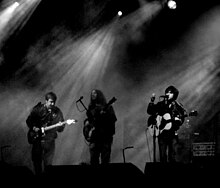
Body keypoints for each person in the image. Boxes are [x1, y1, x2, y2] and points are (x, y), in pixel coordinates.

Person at [26, 91, 65, 176]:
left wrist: (60, 126)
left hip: (50, 141)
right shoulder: (37, 109)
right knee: (37, 163)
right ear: (46, 101)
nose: (52, 104)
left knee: (48, 165)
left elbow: (61, 129)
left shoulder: (57, 111)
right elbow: (29, 120)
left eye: (54, 102)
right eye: (51, 101)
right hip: (37, 141)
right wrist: (34, 128)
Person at [147, 85, 187, 163]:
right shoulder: (161, 104)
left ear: (174, 94)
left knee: (172, 156)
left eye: (170, 92)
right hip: (162, 133)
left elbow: (182, 118)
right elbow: (150, 111)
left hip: (172, 134)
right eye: (167, 92)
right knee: (162, 157)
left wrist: (178, 121)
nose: (168, 94)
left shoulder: (177, 106)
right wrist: (151, 101)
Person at [83, 89, 117, 165]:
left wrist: (104, 116)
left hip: (105, 136)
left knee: (105, 160)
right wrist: (87, 124)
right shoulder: (91, 108)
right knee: (94, 160)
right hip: (94, 137)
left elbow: (113, 120)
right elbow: (90, 121)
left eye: (95, 93)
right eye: (92, 93)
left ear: (99, 95)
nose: (93, 95)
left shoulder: (108, 107)